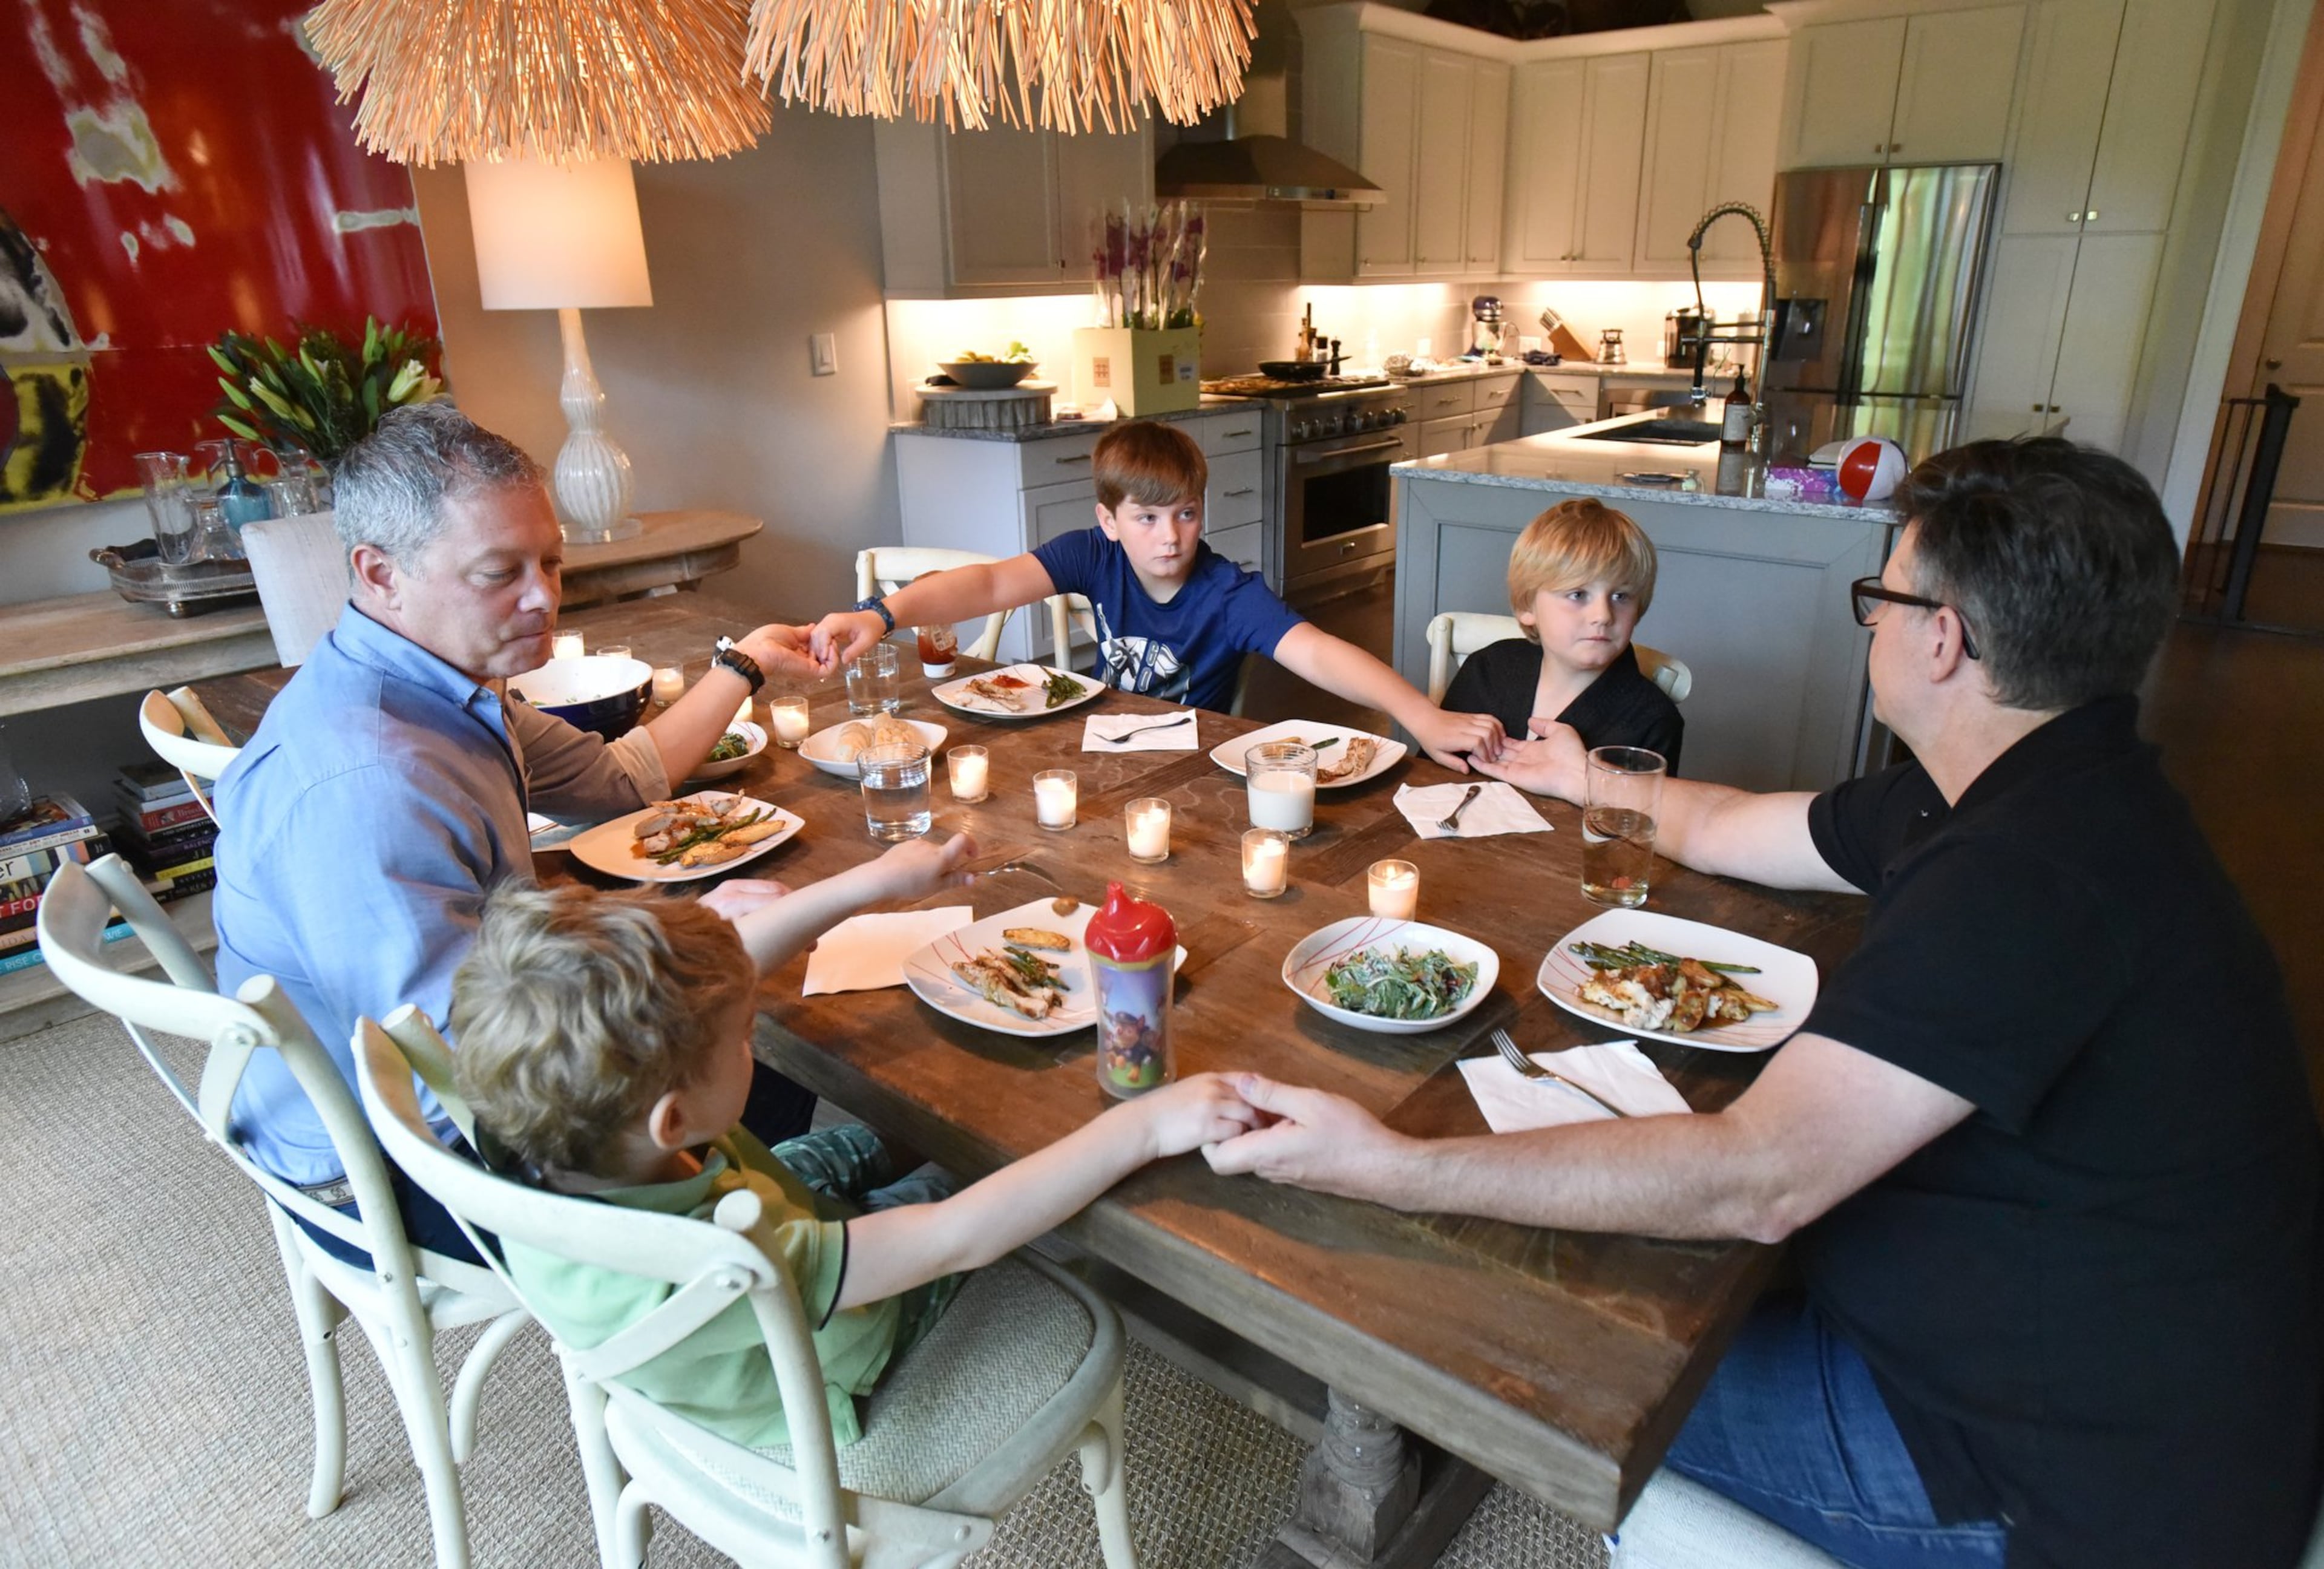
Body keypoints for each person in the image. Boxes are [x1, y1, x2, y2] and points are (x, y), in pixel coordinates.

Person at [1204, 439, 2324, 1568]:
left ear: (1944, 638)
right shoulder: (2022, 785)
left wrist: (1399, 1167)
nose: (1873, 621)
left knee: (1535, 1324)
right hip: (2026, 1339)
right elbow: (1732, 820)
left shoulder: (2030, 877)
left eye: (1882, 597)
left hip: (2053, 1476)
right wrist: (1583, 777)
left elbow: (1761, 1176)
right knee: (1602, 1237)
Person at [212, 403, 831, 1260]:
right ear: (380, 573)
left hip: (460, 1069)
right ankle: (773, 1286)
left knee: (749, 1040)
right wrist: (670, 939)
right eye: (500, 572)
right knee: (763, 1054)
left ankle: (799, 1210)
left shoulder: (444, 682)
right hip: (396, 1172)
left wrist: (745, 663)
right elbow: (458, 1073)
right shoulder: (370, 781)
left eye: (550, 561)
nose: (544, 596)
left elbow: (616, 783)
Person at [449, 877, 1259, 1447]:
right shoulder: (717, 1258)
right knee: (985, 1169)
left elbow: (710, 985)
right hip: (831, 1340)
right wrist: (1146, 1129)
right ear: (673, 1120)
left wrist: (878, 879)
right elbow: (954, 1238)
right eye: (741, 1039)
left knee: (908, 1138)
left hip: (762, 1205)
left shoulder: (547, 1132)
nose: (750, 1039)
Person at [808, 420, 1505, 771]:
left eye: (1187, 513)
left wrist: (1422, 715)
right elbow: (989, 583)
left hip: (1188, 768)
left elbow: (1321, 655)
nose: (1171, 537)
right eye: (1147, 518)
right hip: (1100, 746)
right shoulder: (1089, 553)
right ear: (1110, 522)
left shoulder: (1227, 593)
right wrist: (881, 612)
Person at [1439, 497, 1684, 771]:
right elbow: (1431, 779)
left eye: (1621, 596)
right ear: (1526, 607)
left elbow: (1636, 813)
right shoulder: (1487, 669)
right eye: (1578, 594)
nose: (1603, 615)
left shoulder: (1653, 719)